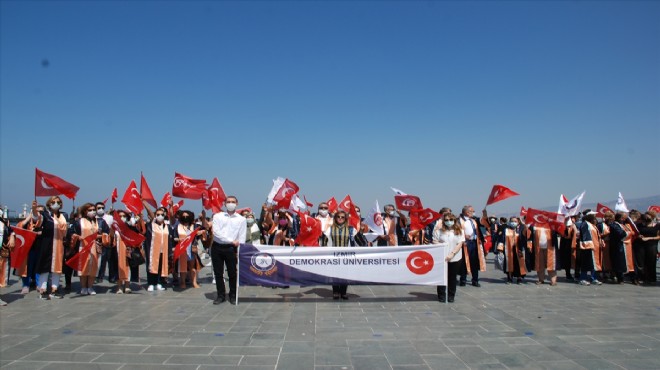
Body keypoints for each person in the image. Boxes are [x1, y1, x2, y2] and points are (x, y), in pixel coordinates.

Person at [208, 196, 246, 305]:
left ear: (237, 203)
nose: (230, 203)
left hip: (231, 249)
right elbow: (216, 233)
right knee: (218, 273)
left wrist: (240, 251)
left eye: (233, 202)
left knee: (232, 273)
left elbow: (242, 236)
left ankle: (233, 295)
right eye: (228, 202)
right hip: (217, 247)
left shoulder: (241, 219)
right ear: (224, 204)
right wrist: (231, 241)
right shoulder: (218, 216)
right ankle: (221, 295)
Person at [32, 197, 69, 299]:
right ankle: (43, 289)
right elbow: (36, 218)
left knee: (57, 268)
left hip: (59, 244)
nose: (56, 204)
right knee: (45, 267)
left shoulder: (63, 216)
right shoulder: (45, 215)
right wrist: (34, 209)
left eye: (58, 202)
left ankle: (54, 289)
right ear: (49, 204)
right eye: (53, 202)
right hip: (47, 244)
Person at [71, 202, 111, 295]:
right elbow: (71, 232)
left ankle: (90, 286)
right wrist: (77, 236)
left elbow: (106, 232)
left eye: (94, 210)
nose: (92, 212)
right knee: (83, 267)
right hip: (82, 246)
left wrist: (100, 236)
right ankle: (83, 287)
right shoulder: (79, 222)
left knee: (94, 267)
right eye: (90, 210)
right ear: (85, 211)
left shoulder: (100, 221)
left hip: (95, 247)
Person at [141, 206, 175, 292]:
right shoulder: (151, 226)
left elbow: (170, 238)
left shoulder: (167, 227)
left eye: (162, 214)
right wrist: (145, 204)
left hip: (163, 250)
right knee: (152, 266)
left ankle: (159, 282)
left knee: (161, 266)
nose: (160, 216)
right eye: (158, 214)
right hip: (153, 250)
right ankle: (151, 283)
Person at [323, 210, 354, 300]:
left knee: (345, 274)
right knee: (335, 274)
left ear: (345, 219)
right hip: (334, 256)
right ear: (335, 218)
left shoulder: (351, 229)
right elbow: (324, 242)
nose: (340, 219)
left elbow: (359, 241)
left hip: (346, 256)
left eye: (342, 217)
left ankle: (343, 292)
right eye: (338, 217)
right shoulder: (330, 229)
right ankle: (335, 292)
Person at [433, 213, 464, 303]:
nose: (449, 222)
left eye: (450, 220)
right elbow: (435, 241)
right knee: (442, 277)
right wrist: (441, 245)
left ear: (454, 221)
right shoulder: (439, 231)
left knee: (452, 277)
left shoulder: (459, 231)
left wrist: (452, 253)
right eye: (446, 220)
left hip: (455, 257)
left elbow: (460, 244)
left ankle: (451, 295)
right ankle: (441, 295)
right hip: (442, 257)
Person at [173, 210, 206, 289]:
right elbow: (174, 237)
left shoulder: (194, 226)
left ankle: (194, 282)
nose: (185, 218)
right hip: (182, 249)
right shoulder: (178, 226)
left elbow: (204, 228)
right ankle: (182, 282)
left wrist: (203, 218)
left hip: (191, 249)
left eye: (187, 216)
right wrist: (180, 239)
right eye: (183, 216)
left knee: (192, 267)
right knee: (182, 267)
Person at [458, 206, 487, 287]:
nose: (473, 212)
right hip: (465, 243)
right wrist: (463, 236)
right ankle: (463, 279)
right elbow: (455, 231)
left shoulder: (474, 220)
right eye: (472, 211)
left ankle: (475, 280)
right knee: (464, 261)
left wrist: (485, 215)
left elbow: (483, 223)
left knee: (474, 262)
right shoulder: (459, 220)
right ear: (467, 212)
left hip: (475, 243)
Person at [496, 217, 528, 284]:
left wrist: (525, 226)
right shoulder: (506, 230)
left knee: (519, 264)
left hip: (518, 249)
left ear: (518, 222)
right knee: (509, 263)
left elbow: (525, 236)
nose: (514, 223)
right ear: (509, 222)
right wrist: (500, 249)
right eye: (512, 221)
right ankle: (509, 278)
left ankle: (519, 278)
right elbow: (501, 239)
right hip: (508, 249)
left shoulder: (520, 229)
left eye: (515, 221)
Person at [577, 214, 603, 286]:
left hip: (595, 248)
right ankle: (583, 279)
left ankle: (593, 278)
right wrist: (587, 245)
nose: (596, 220)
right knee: (586, 264)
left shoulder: (593, 226)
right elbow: (585, 235)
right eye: (594, 218)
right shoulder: (585, 224)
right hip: (588, 247)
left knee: (594, 264)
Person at [95, 202, 117, 284]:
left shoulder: (109, 217)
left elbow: (113, 228)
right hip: (98, 241)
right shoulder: (94, 218)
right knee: (101, 260)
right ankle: (99, 276)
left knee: (111, 260)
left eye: (102, 208)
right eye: (98, 208)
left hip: (109, 240)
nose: (100, 209)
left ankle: (112, 277)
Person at [637, 213, 659, 285]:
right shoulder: (639, 225)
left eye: (648, 216)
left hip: (652, 245)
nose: (646, 217)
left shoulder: (657, 226)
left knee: (651, 262)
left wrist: (649, 238)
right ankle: (641, 277)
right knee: (641, 262)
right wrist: (639, 236)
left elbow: (659, 236)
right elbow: (636, 234)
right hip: (641, 245)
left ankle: (652, 278)